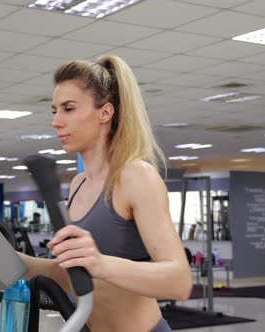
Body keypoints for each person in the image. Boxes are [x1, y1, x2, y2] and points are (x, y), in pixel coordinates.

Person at [20, 54, 192, 332]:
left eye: (68, 108)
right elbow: (70, 274)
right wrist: (1, 256)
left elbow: (179, 282)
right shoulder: (77, 185)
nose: (56, 122)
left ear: (105, 112)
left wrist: (100, 263)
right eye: (54, 111)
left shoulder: (136, 176)